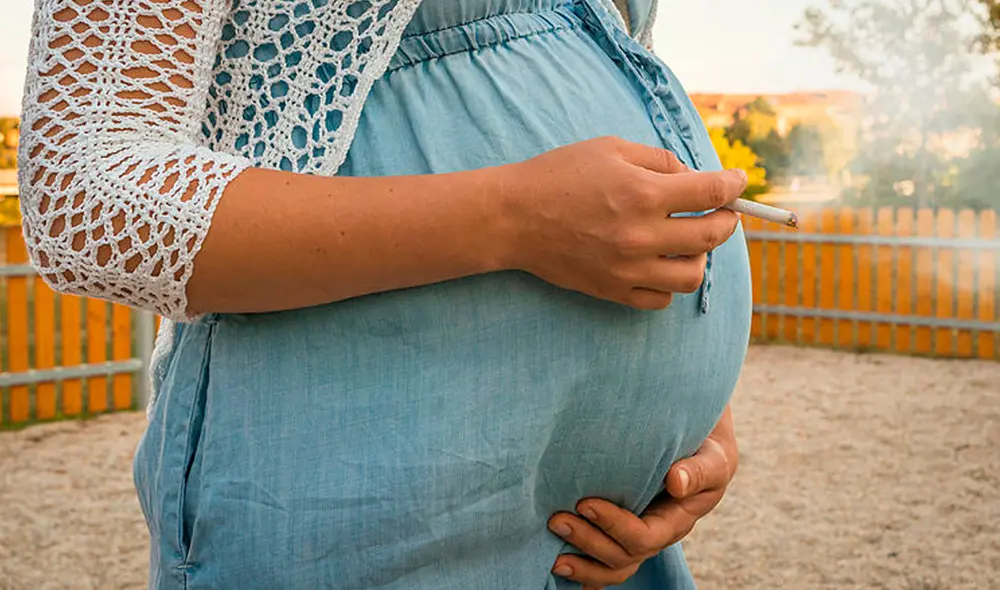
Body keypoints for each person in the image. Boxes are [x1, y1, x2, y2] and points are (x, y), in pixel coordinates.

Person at [18, 0, 752, 588]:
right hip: (372, 515)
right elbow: (86, 195)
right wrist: (513, 218)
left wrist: (689, 419)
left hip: (607, 541)